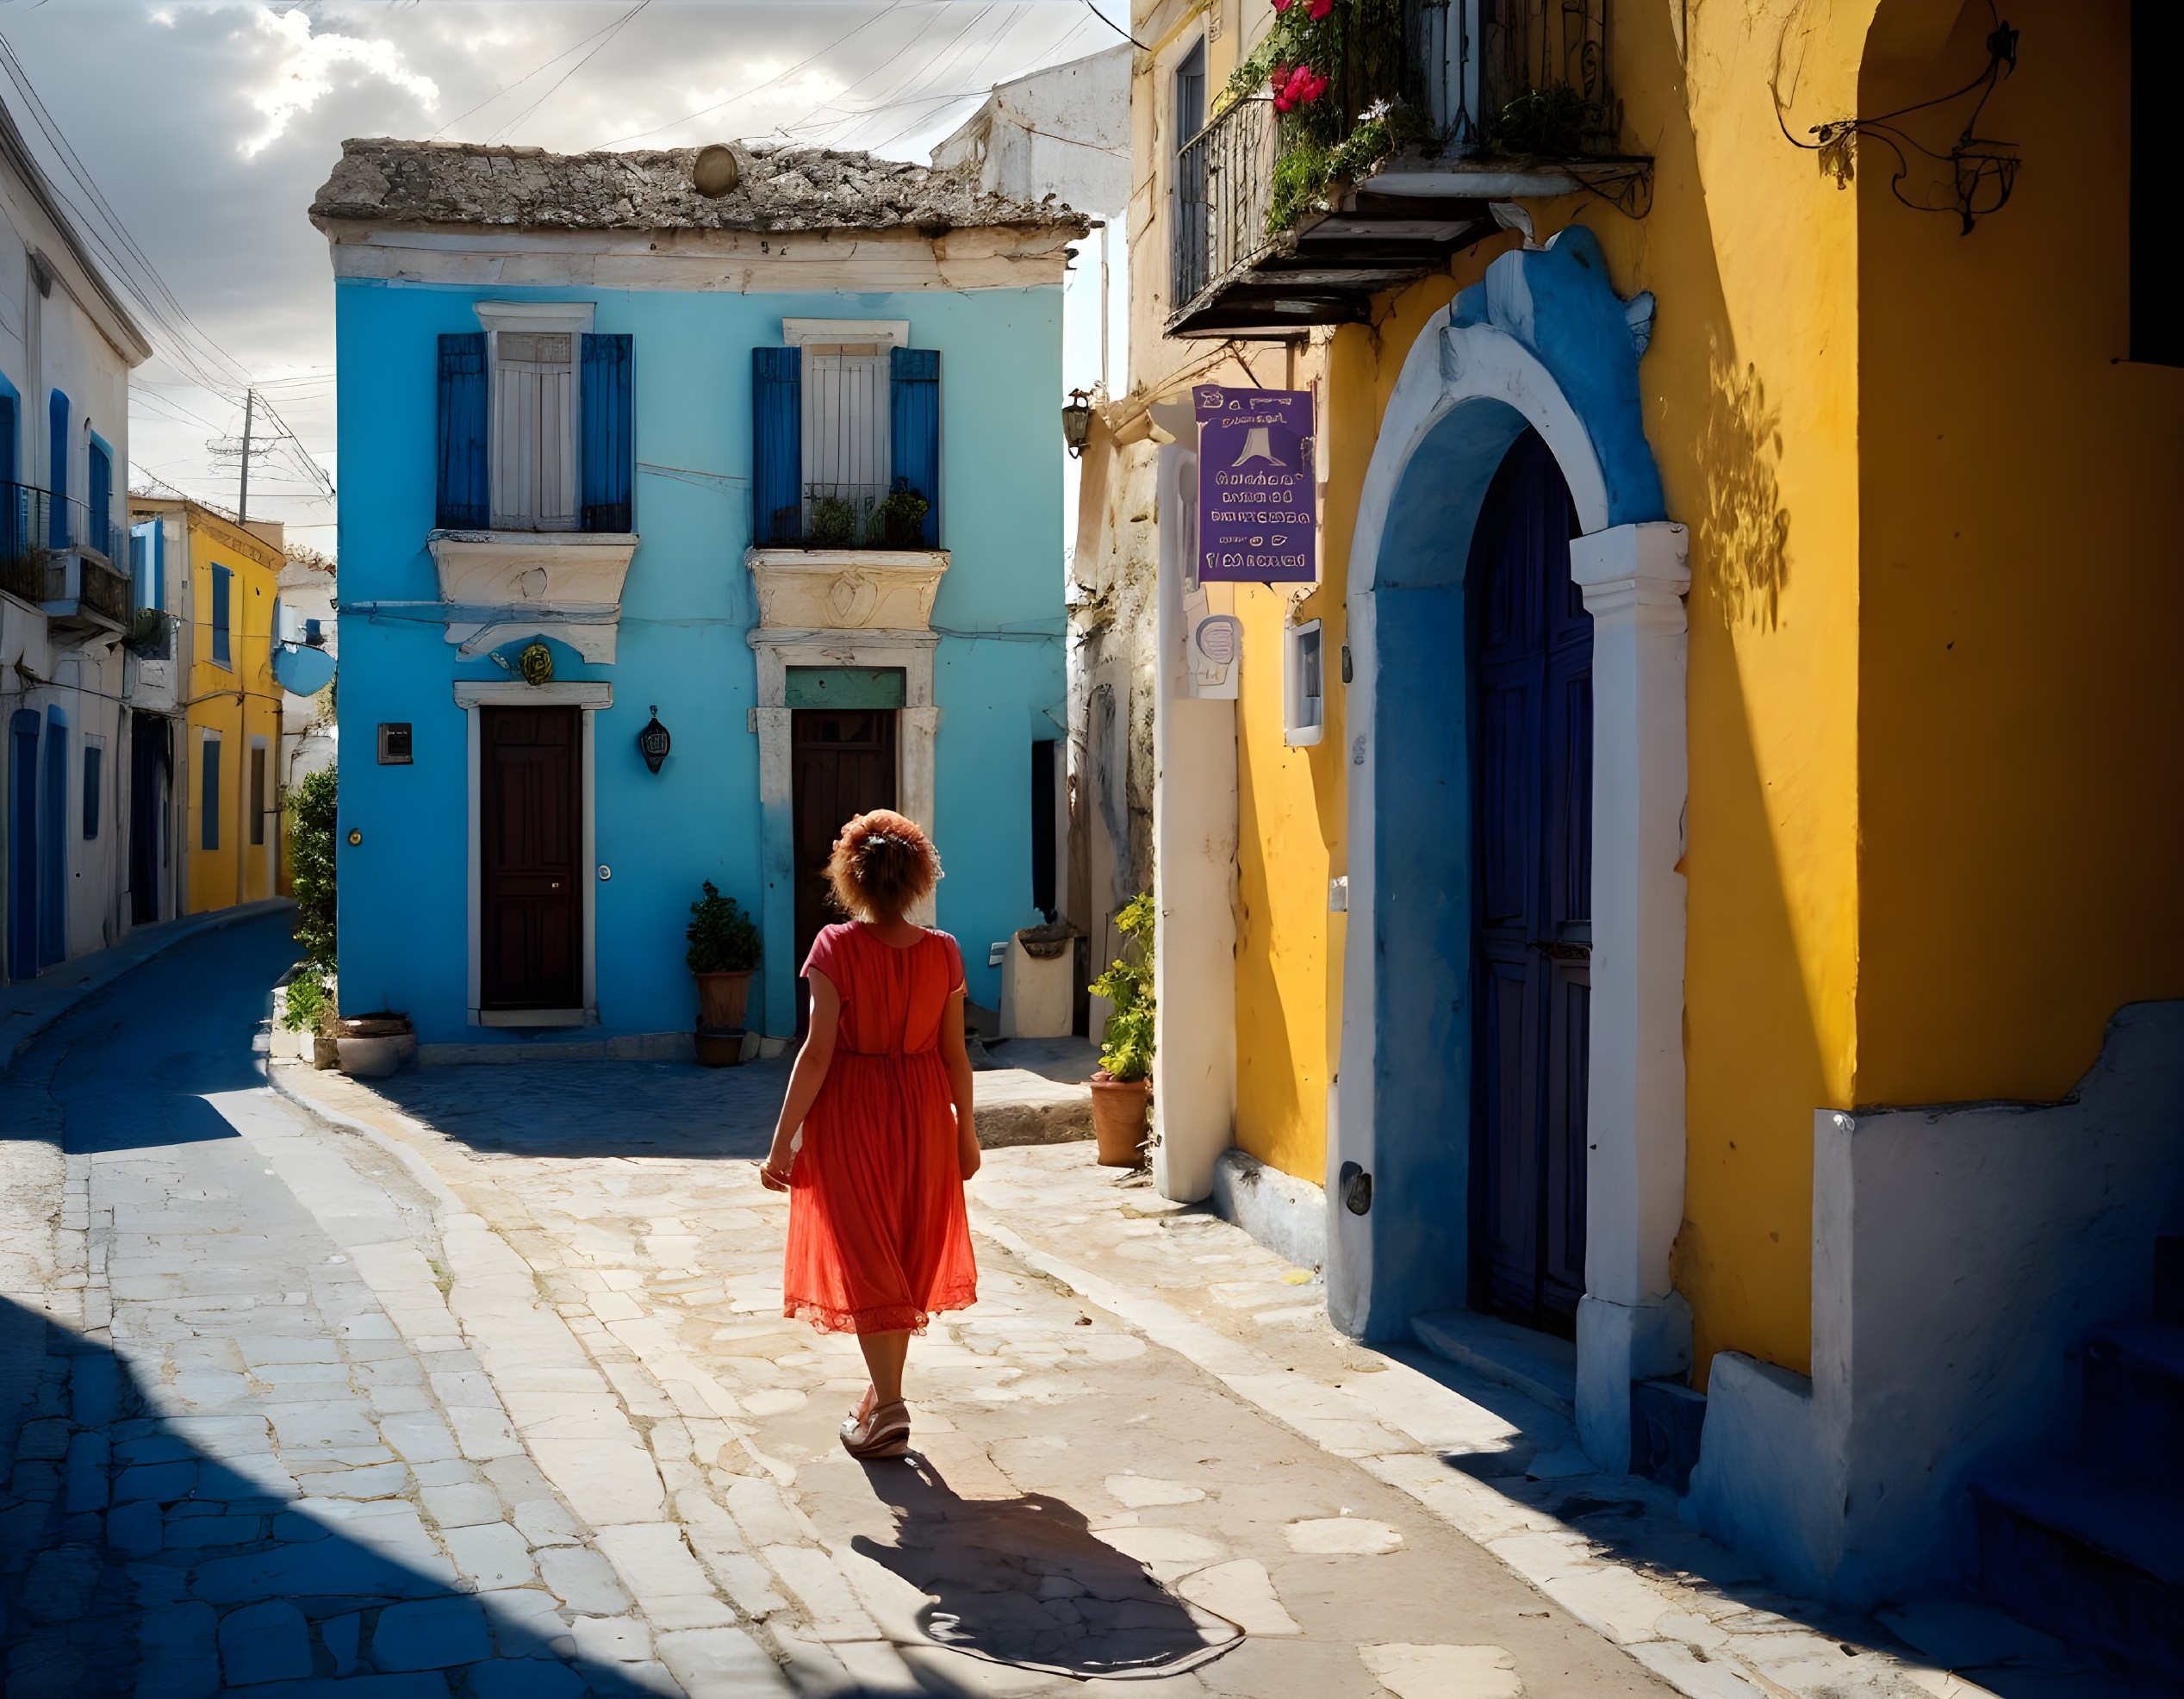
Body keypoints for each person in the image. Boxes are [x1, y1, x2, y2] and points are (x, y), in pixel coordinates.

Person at [759, 810, 980, 1460]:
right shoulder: (944, 951)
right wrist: (966, 1134)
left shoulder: (834, 947)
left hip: (853, 1111)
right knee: (899, 1256)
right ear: (917, 880)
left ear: (848, 877)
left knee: (868, 1258)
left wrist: (781, 1142)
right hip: (920, 1114)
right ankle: (881, 1399)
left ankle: (888, 1407)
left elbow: (817, 1054)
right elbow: (955, 1057)